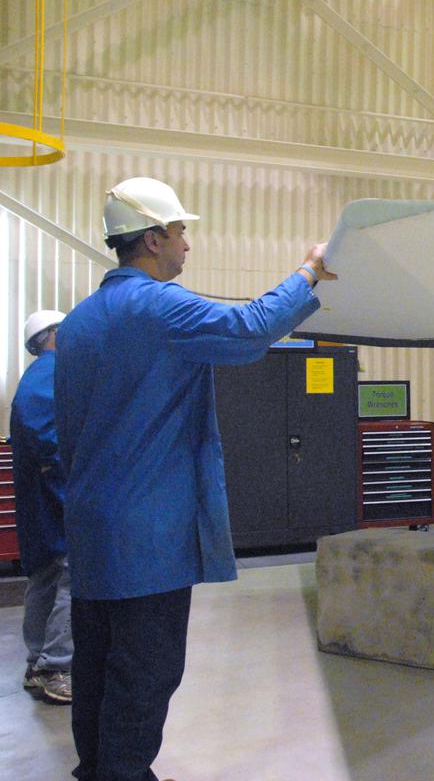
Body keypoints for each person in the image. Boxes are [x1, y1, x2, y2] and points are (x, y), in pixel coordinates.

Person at [55, 177, 335, 781]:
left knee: (97, 664)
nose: (187, 244)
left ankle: (97, 769)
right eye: (181, 232)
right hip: (146, 533)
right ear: (153, 239)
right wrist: (308, 273)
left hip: (93, 527)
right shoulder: (157, 306)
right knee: (146, 669)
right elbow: (248, 329)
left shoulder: (78, 323)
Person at [10, 310, 73, 705]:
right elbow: (50, 442)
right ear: (51, 335)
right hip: (56, 500)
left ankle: (37, 664)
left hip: (41, 506)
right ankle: (57, 667)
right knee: (72, 578)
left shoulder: (38, 375)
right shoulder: (50, 373)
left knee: (45, 580)